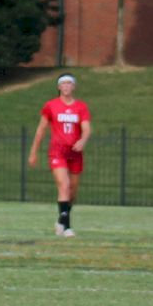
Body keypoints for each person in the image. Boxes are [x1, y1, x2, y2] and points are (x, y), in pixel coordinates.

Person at [28, 73, 92, 237]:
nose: (66, 86)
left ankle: (61, 220)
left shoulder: (81, 107)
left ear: (74, 87)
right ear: (58, 87)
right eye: (63, 83)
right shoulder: (51, 106)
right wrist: (33, 152)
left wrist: (83, 140)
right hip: (58, 152)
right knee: (63, 186)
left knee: (72, 192)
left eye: (69, 83)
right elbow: (41, 129)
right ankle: (67, 227)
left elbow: (86, 128)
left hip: (75, 154)